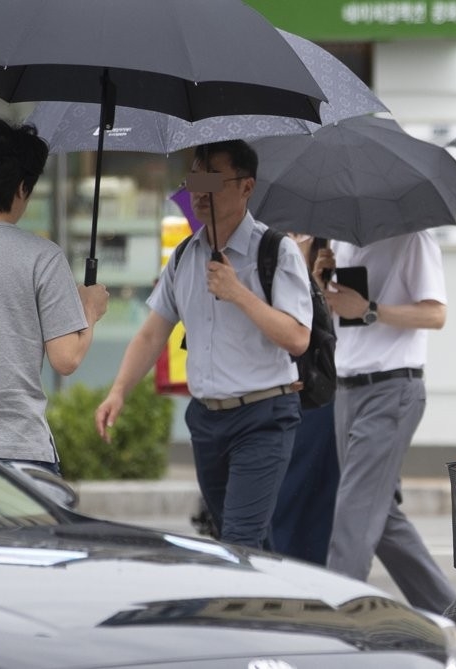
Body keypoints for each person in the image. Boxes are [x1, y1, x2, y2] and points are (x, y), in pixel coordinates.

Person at [95, 140, 313, 549]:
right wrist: (118, 391)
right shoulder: (184, 256)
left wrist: (238, 292)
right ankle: (277, 607)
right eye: (194, 178)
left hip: (263, 416)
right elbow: (152, 332)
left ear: (246, 187)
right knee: (242, 540)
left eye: (211, 179)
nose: (198, 190)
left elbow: (298, 338)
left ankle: (243, 611)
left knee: (238, 541)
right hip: (206, 420)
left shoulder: (275, 251)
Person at [315, 230, 456, 618]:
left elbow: (436, 313)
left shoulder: (414, 237)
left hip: (392, 388)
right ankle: (455, 615)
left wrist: (369, 308)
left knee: (353, 516)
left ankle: (334, 626)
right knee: (381, 517)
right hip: (346, 390)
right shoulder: (340, 241)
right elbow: (341, 318)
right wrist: (322, 282)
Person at [0, 119, 108, 474]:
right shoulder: (43, 257)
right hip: (21, 456)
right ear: (22, 188)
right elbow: (66, 359)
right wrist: (90, 309)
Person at [269, 234, 339, 565]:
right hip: (286, 386)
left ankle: (314, 583)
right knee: (286, 496)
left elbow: (325, 327)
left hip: (323, 390)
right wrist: (299, 270)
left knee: (320, 499)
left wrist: (319, 284)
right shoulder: (274, 249)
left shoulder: (335, 248)